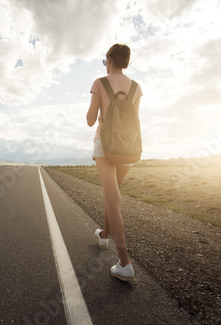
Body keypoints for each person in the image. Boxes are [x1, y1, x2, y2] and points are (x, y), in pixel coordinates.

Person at [86, 43, 143, 281]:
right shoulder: (137, 88)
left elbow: (90, 120)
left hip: (106, 145)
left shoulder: (100, 82)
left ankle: (124, 263)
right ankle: (103, 236)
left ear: (109, 59)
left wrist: (99, 111)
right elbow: (133, 120)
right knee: (114, 194)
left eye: (105, 60)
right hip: (127, 147)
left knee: (113, 198)